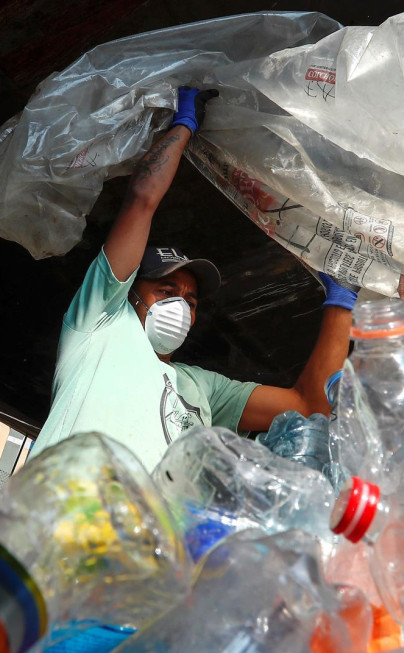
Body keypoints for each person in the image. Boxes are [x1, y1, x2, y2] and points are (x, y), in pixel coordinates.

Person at [36, 86, 355, 469]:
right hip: (62, 514)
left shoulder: (203, 388)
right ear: (128, 295)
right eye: (166, 290)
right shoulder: (100, 326)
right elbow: (141, 201)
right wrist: (183, 126)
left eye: (190, 300)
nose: (180, 306)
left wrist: (341, 300)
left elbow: (309, 406)